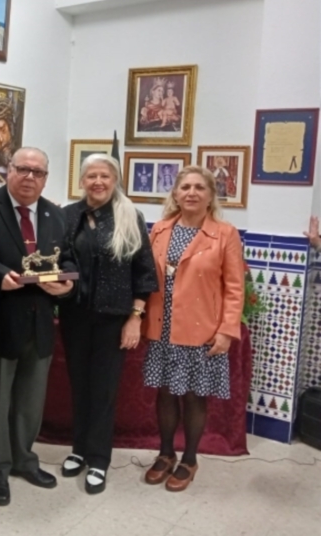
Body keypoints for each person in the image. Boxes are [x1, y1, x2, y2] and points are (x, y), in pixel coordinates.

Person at [0, 148, 73, 506]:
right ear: (7, 171)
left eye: (38, 172)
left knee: (30, 401)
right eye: (22, 169)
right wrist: (1, 276)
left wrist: (67, 284)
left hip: (40, 322)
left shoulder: (55, 215)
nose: (30, 177)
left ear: (46, 178)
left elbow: (68, 258)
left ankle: (24, 460)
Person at [58, 154, 158, 494]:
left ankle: (98, 459)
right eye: (91, 176)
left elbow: (145, 273)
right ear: (82, 181)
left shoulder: (130, 216)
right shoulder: (68, 215)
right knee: (79, 386)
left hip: (113, 320)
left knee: (102, 390)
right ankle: (79, 449)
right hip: (74, 316)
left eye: (105, 176)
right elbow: (59, 259)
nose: (97, 182)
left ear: (114, 181)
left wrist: (135, 318)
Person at [142, 166, 244, 492]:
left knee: (194, 395)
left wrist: (227, 330)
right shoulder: (158, 230)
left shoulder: (225, 234)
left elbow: (234, 287)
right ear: (174, 193)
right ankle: (165, 453)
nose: (191, 192)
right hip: (162, 326)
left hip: (202, 329)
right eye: (185, 186)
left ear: (211, 195)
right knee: (165, 393)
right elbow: (145, 278)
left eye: (200, 187)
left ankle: (189, 458)